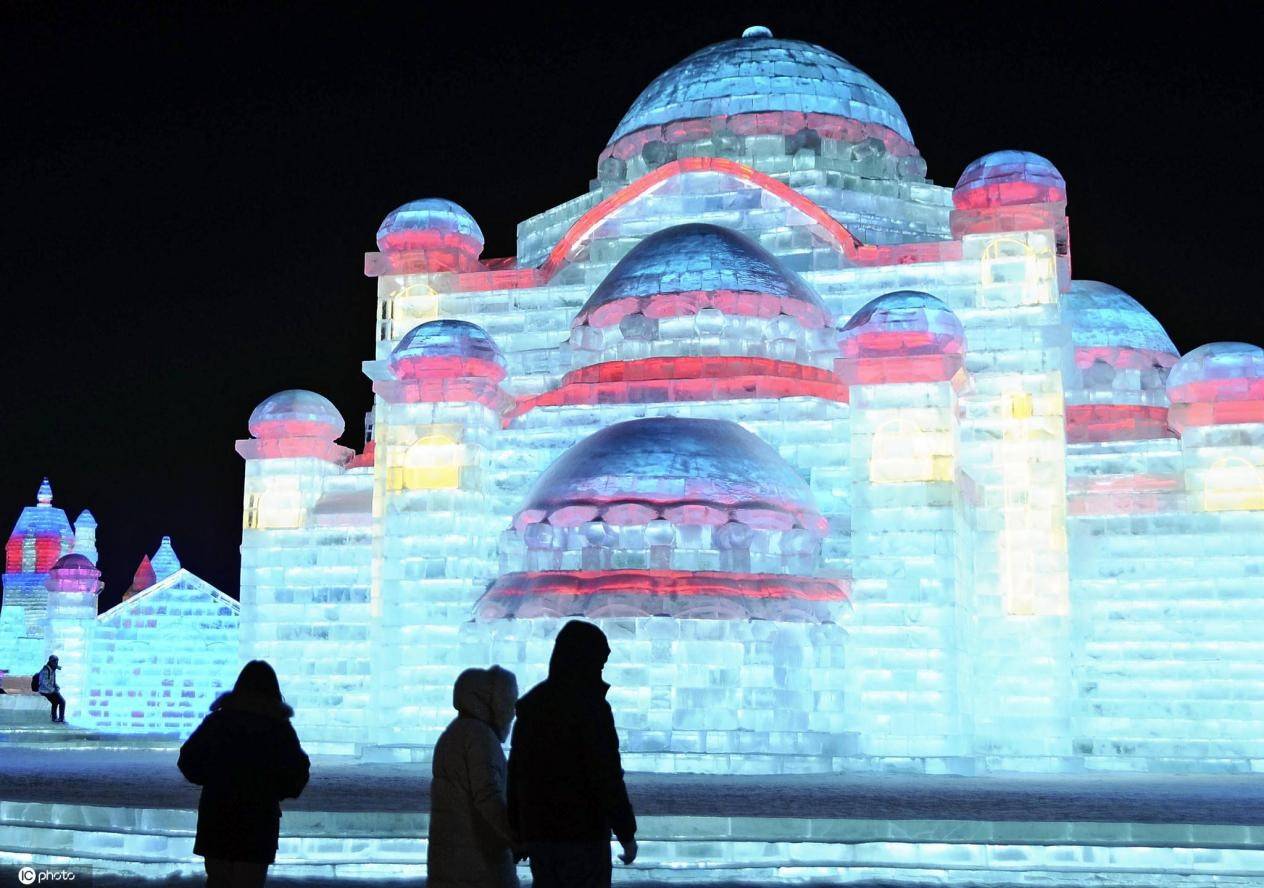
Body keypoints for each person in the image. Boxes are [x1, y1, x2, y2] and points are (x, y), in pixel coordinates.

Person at [508, 621, 637, 888]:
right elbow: (606, 775)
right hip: (584, 835)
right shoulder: (592, 708)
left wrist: (518, 831)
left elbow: (518, 774)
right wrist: (626, 832)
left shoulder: (532, 705)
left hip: (541, 836)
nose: (601, 669)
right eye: (600, 663)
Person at [177, 660, 310, 888]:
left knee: (218, 881)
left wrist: (213, 779)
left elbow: (188, 760)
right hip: (258, 821)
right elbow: (296, 774)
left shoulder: (217, 721)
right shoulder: (278, 728)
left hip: (217, 815)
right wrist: (273, 791)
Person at [428, 665, 522, 888]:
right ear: (493, 702)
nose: (512, 711)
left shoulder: (454, 733)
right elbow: (488, 796)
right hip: (479, 866)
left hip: (451, 861)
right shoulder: (480, 738)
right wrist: (514, 836)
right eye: (509, 702)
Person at [37, 655, 65, 722]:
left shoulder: (52, 669)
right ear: (51, 662)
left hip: (49, 690)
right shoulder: (46, 670)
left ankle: (54, 718)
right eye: (55, 662)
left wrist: (56, 686)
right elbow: (44, 682)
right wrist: (52, 690)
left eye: (57, 662)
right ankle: (60, 719)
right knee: (62, 702)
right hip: (45, 690)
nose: (56, 663)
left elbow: (52, 681)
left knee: (55, 702)